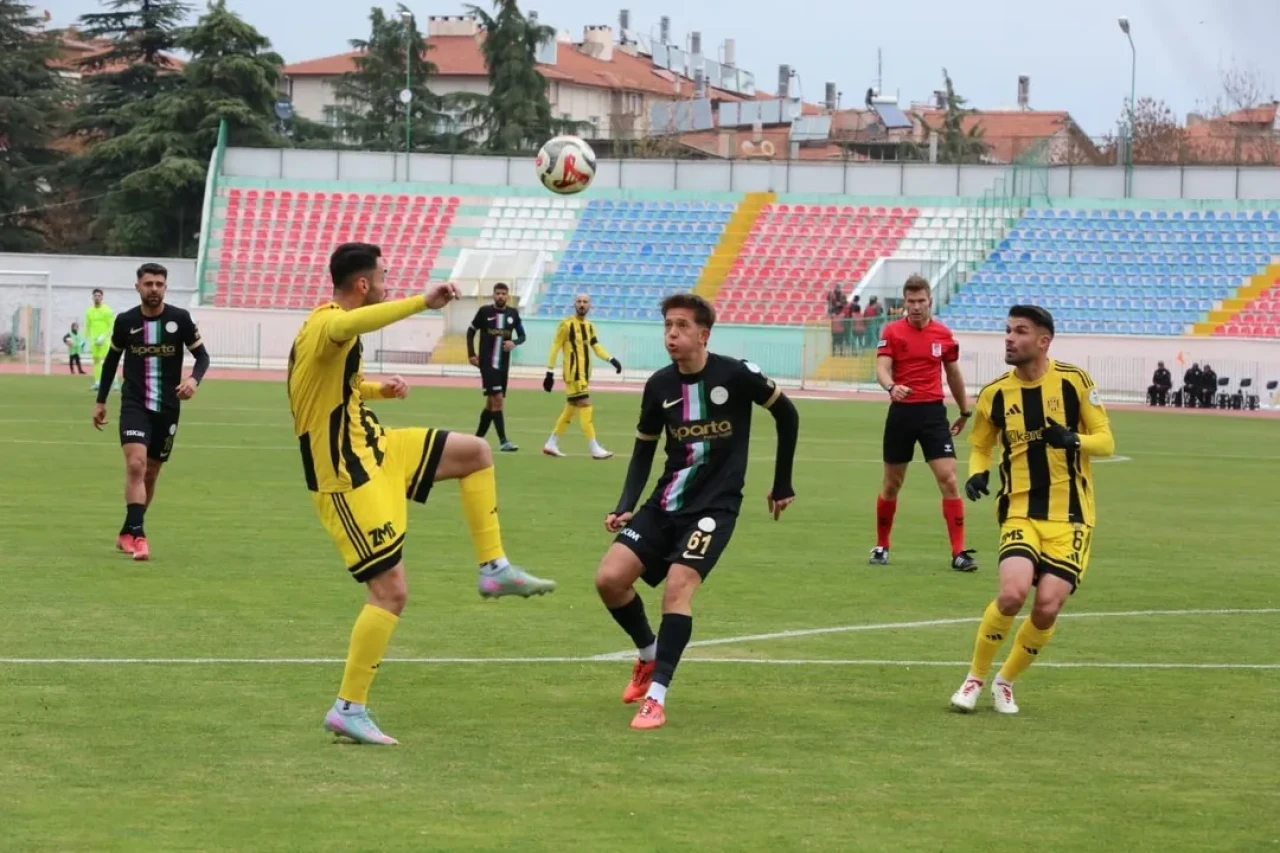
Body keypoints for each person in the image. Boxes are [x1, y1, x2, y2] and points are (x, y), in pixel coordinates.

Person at [288, 242, 556, 746]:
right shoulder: (328, 322)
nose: (388, 282)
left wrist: (375, 390)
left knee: (476, 452)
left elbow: (334, 386)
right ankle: (349, 707)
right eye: (383, 277)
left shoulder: (325, 331)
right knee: (391, 592)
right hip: (347, 475)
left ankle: (494, 569)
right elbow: (348, 329)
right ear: (363, 285)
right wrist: (422, 302)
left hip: (379, 447)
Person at [595, 293, 800, 731]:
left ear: (704, 334)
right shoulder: (659, 386)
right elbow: (643, 450)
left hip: (715, 509)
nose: (672, 334)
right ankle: (649, 657)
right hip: (665, 504)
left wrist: (782, 482)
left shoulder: (737, 374)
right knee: (609, 579)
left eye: (683, 326)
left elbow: (787, 413)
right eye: (668, 325)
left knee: (677, 587)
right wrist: (626, 504)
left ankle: (656, 698)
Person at [950, 304, 1115, 715]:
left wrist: (1074, 440)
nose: (1009, 338)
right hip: (1020, 509)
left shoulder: (1074, 382)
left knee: (1047, 606)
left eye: (1020, 331)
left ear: (1043, 341)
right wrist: (977, 473)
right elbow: (981, 445)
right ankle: (974, 678)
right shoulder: (995, 393)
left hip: (1071, 516)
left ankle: (1005, 682)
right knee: (1012, 593)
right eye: (1007, 330)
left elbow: (1107, 442)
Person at [91, 263, 210, 562]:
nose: (154, 289)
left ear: (165, 287)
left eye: (159, 284)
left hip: (168, 407)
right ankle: (139, 536)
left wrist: (193, 380)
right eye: (148, 284)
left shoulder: (180, 319)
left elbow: (202, 356)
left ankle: (127, 530)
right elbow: (110, 362)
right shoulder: (125, 321)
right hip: (134, 404)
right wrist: (101, 400)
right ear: (138, 287)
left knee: (152, 473)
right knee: (136, 465)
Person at [870, 275, 977, 572]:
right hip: (901, 413)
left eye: (920, 301)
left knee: (949, 478)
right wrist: (892, 387)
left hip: (932, 414)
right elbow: (882, 367)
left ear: (930, 300)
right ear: (904, 302)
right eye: (910, 301)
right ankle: (882, 545)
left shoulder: (943, 335)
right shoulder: (892, 332)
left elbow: (953, 374)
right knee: (892, 484)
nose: (915, 307)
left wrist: (965, 411)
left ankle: (958, 552)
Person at [542, 293, 622, 459]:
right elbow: (555, 346)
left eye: (585, 302)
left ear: (590, 305)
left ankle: (551, 443)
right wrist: (549, 371)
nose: (582, 304)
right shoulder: (566, 325)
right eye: (579, 301)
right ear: (574, 304)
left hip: (584, 375)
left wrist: (611, 359)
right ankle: (594, 448)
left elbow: (596, 346)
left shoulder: (589, 326)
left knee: (570, 410)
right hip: (574, 374)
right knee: (586, 405)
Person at [466, 281, 525, 452]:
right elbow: (471, 332)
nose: (500, 296)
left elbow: (522, 336)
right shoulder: (485, 312)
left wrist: (514, 342)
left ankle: (476, 440)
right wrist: (471, 354)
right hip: (487, 363)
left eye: (503, 294)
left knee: (491, 404)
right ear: (493, 295)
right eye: (498, 293)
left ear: (508, 296)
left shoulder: (513, 314)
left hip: (503, 365)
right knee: (498, 399)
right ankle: (503, 441)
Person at [85, 288, 117, 392]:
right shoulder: (89, 311)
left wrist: (104, 336)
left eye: (99, 295)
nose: (97, 297)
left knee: (109, 361)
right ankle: (98, 382)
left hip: (104, 340)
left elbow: (111, 325)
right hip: (94, 341)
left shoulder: (107, 310)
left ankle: (115, 382)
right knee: (96, 361)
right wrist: (85, 339)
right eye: (95, 295)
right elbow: (87, 326)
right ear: (92, 297)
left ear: (102, 297)